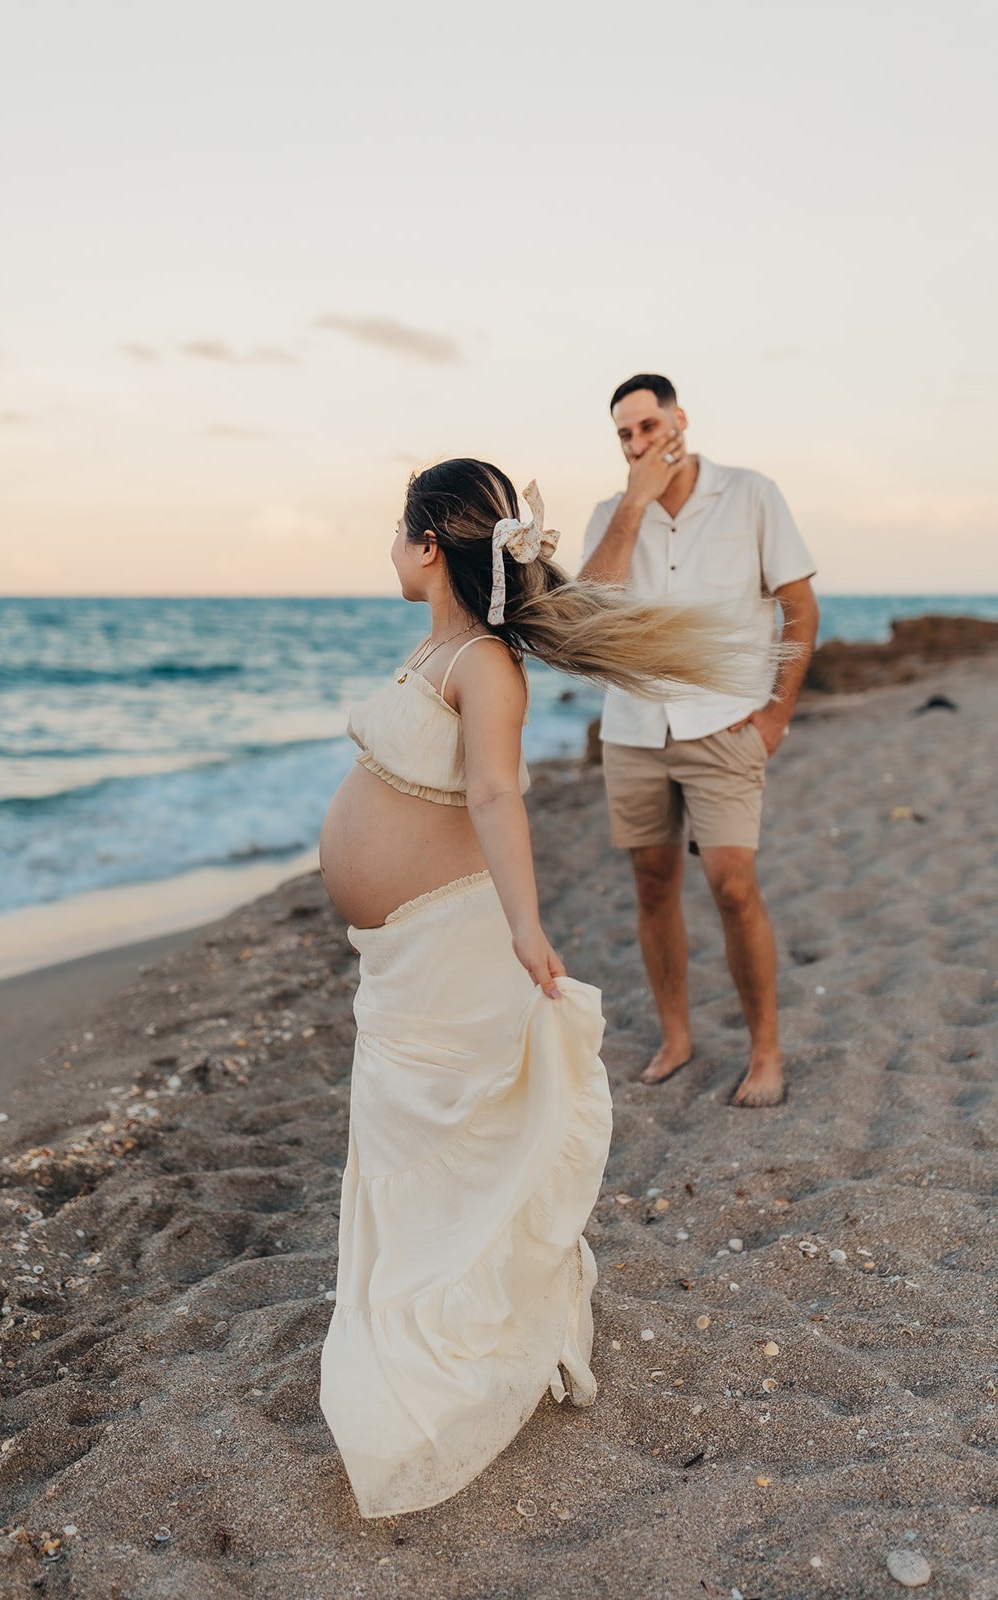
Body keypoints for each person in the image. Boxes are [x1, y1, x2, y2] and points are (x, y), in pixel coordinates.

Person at [317, 458, 767, 1518]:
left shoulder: (486, 666)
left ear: (431, 543)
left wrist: (526, 927)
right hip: (403, 960)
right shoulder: (435, 646)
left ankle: (459, 1350)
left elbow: (492, 797)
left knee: (449, 1146)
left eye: (397, 528)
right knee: (406, 1146)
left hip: (454, 943)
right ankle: (406, 1322)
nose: (388, 545)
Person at [579, 374, 819, 1109]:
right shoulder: (612, 513)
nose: (638, 443)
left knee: (733, 886)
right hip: (634, 729)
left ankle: (766, 1052)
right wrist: (635, 501)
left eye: (647, 426)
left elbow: (800, 610)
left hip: (726, 726)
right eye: (624, 435)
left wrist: (776, 716)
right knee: (653, 886)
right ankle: (677, 1036)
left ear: (679, 418)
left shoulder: (750, 494)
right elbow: (588, 613)